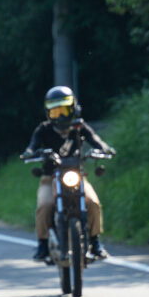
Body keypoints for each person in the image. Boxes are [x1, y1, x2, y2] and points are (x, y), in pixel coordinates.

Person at [22, 85, 113, 261]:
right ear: (48, 113)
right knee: (45, 206)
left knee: (93, 202)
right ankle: (42, 244)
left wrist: (104, 149)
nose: (61, 116)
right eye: (56, 112)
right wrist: (29, 152)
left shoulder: (79, 127)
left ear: (73, 108)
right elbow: (32, 145)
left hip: (76, 174)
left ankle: (95, 242)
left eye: (64, 110)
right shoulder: (44, 129)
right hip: (50, 177)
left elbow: (95, 140)